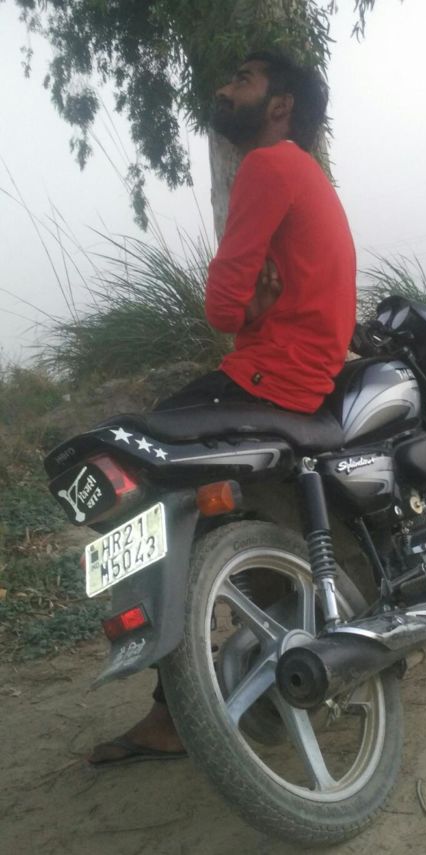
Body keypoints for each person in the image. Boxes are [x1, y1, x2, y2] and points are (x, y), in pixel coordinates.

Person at [88, 50, 357, 766]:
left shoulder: (267, 166)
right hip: (301, 376)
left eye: (242, 80)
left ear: (280, 106)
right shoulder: (309, 174)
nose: (223, 88)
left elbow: (220, 304)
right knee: (208, 498)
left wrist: (244, 308)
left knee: (134, 465)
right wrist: (253, 310)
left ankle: (174, 709)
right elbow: (255, 305)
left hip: (270, 377)